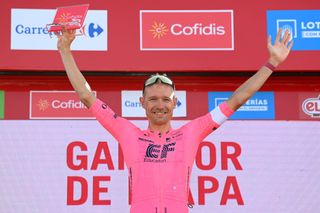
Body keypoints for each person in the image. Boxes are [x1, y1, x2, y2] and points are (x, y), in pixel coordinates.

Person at [56, 28, 293, 213]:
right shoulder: (128, 132)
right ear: (142, 103)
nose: (160, 105)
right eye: (153, 99)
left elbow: (237, 99)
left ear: (175, 103)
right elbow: (87, 96)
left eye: (165, 99)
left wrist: (271, 64)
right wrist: (65, 51)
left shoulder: (191, 132)